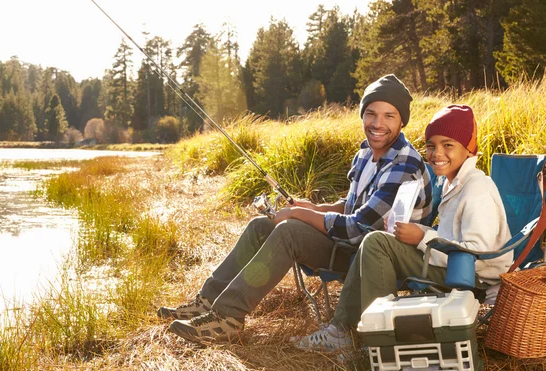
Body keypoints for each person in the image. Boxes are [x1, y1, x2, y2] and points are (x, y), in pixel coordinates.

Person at [158, 74, 433, 343]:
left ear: (402, 121)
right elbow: (349, 206)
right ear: (362, 114)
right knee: (261, 226)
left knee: (289, 230)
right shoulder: (365, 154)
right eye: (371, 113)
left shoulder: (404, 163)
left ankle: (226, 319)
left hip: (372, 259)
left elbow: (355, 228)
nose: (377, 123)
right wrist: (312, 206)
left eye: (389, 116)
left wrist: (298, 214)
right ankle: (206, 302)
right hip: (348, 246)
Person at [296, 104, 513, 352]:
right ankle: (346, 329)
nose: (436, 153)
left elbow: (478, 253)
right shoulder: (453, 182)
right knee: (376, 240)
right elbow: (453, 237)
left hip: (473, 277)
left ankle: (377, 340)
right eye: (431, 146)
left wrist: (423, 236)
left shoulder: (477, 189)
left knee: (377, 243)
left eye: (448, 145)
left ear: (469, 149)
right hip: (451, 263)